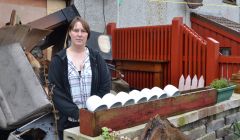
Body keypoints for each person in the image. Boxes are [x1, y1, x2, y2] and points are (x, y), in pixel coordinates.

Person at [48, 16, 111, 140]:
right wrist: (78, 114)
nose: (79, 34)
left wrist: (93, 109)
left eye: (83, 31)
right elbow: (56, 92)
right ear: (70, 33)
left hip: (94, 120)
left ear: (88, 35)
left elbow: (105, 84)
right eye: (76, 30)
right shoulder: (59, 60)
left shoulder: (96, 58)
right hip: (69, 123)